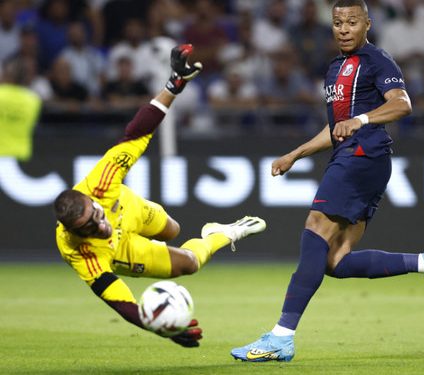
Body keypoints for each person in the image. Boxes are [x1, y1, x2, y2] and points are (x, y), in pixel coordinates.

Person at [230, 0, 424, 363]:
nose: (343, 28)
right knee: (335, 260)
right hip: (353, 155)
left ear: (367, 24)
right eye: (338, 22)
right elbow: (335, 128)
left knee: (315, 229)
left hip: (363, 155)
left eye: (352, 22)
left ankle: (280, 336)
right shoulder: (335, 68)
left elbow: (402, 104)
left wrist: (364, 121)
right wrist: (296, 153)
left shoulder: (377, 60)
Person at [53, 44, 266, 348]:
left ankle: (175, 235)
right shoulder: (81, 253)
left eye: (96, 216)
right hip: (121, 248)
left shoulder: (101, 182)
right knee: (189, 264)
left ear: (92, 201)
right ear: (74, 232)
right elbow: (120, 303)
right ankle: (221, 234)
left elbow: (136, 133)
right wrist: (160, 328)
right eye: (89, 229)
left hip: (130, 209)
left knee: (173, 230)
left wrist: (173, 85)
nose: (99, 226)